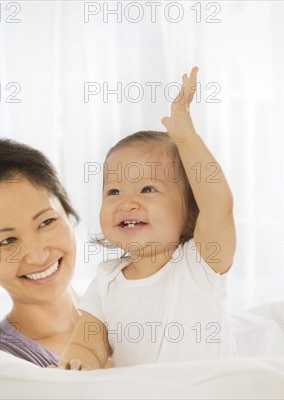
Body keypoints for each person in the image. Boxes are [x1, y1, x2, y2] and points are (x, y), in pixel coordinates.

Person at [59, 67, 238, 370]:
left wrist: (187, 139)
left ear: (191, 212)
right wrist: (78, 363)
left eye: (147, 189)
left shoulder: (199, 263)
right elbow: (87, 342)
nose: (128, 202)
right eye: (113, 191)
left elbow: (218, 205)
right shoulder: (107, 281)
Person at [0, 139, 85, 368]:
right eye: (7, 241)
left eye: (46, 222)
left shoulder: (137, 311)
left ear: (66, 209)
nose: (38, 256)